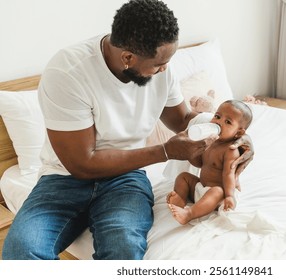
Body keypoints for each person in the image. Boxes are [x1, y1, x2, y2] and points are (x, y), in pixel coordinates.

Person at [2, 0, 253, 260]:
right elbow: (82, 164)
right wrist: (166, 151)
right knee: (21, 251)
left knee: (123, 248)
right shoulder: (68, 72)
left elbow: (183, 120)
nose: (165, 69)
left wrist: (235, 138)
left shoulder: (161, 70)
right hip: (64, 178)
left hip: (125, 179)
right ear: (128, 58)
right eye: (158, 64)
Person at [167, 100, 253, 225]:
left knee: (217, 191)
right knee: (183, 177)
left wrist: (229, 195)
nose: (219, 122)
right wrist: (190, 154)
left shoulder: (230, 150)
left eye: (227, 122)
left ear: (239, 133)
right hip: (201, 188)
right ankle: (180, 199)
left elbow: (228, 174)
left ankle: (189, 214)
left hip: (218, 196)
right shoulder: (210, 140)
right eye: (217, 116)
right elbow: (201, 163)